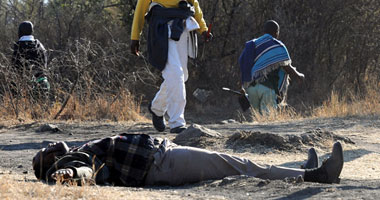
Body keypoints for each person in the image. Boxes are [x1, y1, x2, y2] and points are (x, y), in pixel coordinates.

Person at [32, 133, 344, 186]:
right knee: (236, 164)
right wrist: (71, 176)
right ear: (49, 163)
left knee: (237, 162)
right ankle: (316, 177)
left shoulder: (76, 150)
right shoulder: (69, 160)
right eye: (43, 151)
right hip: (161, 163)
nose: (48, 145)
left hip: (163, 154)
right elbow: (86, 171)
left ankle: (301, 171)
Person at [130, 0, 212, 133]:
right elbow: (141, 8)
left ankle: (157, 107)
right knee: (175, 74)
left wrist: (203, 29)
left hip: (181, 28)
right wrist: (135, 37)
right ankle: (177, 122)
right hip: (161, 29)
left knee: (182, 76)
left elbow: (194, 4)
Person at [238, 20, 305, 114]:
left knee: (257, 120)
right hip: (267, 90)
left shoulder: (252, 45)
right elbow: (287, 67)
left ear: (264, 31)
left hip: (251, 90)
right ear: (276, 32)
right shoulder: (277, 46)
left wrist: (241, 86)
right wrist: (299, 76)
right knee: (268, 119)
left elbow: (243, 64)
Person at [12, 21, 50, 99]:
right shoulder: (40, 45)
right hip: (42, 85)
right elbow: (44, 65)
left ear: (20, 31)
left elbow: (15, 68)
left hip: (23, 87)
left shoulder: (18, 47)